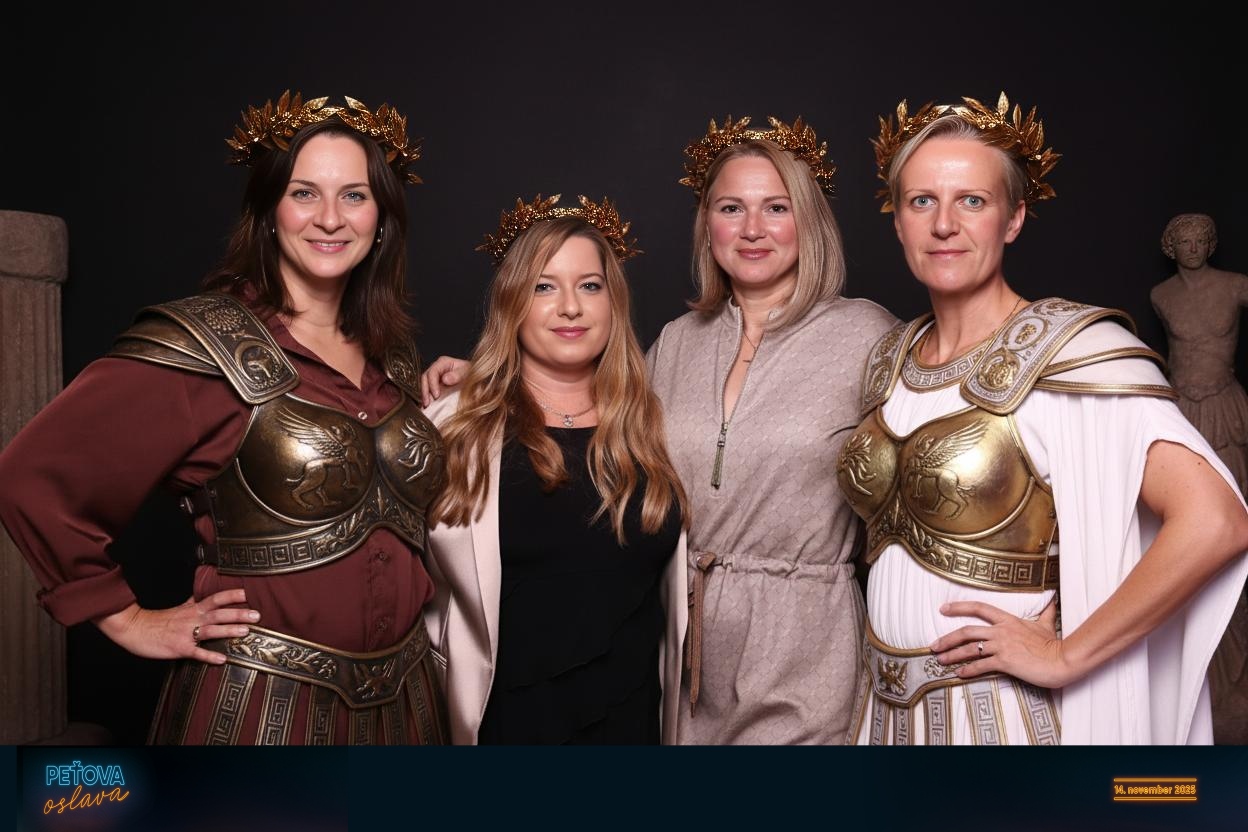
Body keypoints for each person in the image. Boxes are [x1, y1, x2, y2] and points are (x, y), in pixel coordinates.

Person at [424, 118, 898, 744]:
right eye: (732, 208)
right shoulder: (679, 342)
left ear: (809, 221)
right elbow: (589, 392)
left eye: (776, 207)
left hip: (804, 643)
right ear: (707, 225)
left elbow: (937, 461)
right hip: (685, 656)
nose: (752, 229)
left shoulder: (868, 337)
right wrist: (485, 377)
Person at [0, 90, 449, 744]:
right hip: (261, 708)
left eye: (353, 195)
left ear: (381, 218)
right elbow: (31, 476)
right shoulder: (205, 347)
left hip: (407, 707)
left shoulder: (395, 356)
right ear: (268, 211)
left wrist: (475, 383)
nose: (330, 218)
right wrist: (125, 617)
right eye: (303, 193)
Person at [839, 93, 1248, 744]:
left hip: (1003, 718)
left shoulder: (1071, 351)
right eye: (921, 201)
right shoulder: (890, 358)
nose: (944, 224)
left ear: (1013, 218)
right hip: (882, 714)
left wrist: (1066, 655)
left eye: (972, 200)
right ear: (898, 222)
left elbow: (1216, 521)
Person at [423, 194, 689, 744]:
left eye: (589, 286)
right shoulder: (455, 425)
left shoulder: (653, 424)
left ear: (613, 302)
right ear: (512, 302)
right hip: (508, 726)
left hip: (632, 727)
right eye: (544, 287)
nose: (571, 307)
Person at [1152, 212, 1248, 743]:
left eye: (1199, 239)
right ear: (1172, 247)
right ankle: (1200, 674)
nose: (1192, 246)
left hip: (1226, 410)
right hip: (1183, 410)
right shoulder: (1161, 295)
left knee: (1234, 523)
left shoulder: (1235, 287)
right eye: (1183, 240)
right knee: (1184, 529)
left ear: (1211, 243)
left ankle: (1236, 676)